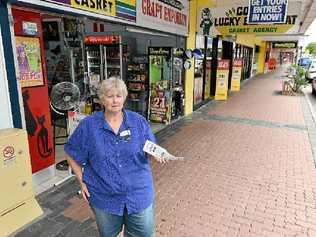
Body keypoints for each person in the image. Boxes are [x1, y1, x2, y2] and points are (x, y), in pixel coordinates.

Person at [64, 77, 166, 237]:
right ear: (102, 99)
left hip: (138, 194)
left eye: (119, 96)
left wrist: (157, 155)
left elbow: (150, 149)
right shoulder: (89, 126)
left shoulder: (138, 122)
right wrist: (81, 180)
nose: (115, 100)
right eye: (110, 96)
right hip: (104, 196)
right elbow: (71, 152)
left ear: (124, 98)